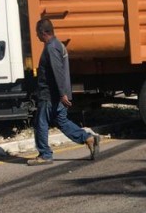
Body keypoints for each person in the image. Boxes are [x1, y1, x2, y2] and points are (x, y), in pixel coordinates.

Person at [28, 18, 99, 165]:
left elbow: (57, 71)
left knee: (40, 123)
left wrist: (62, 94)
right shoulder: (58, 45)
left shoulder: (51, 48)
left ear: (42, 32)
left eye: (37, 33)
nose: (36, 36)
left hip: (49, 95)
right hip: (56, 94)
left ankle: (45, 154)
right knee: (62, 121)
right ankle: (88, 138)